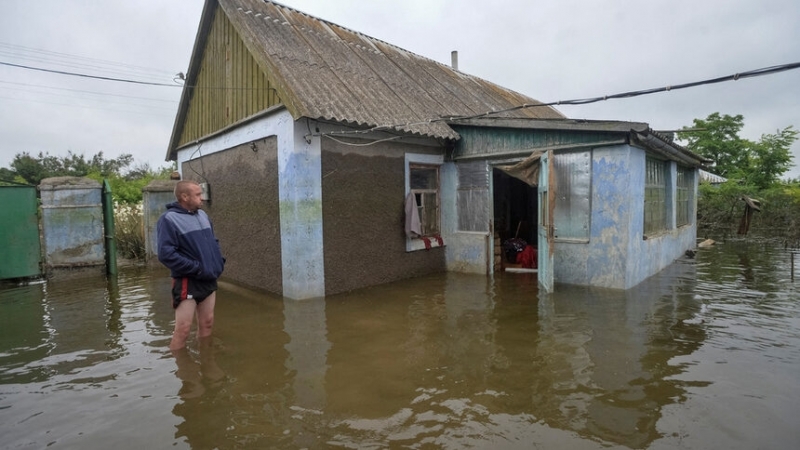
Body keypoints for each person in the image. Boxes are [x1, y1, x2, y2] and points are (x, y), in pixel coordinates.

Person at [157, 180, 225, 350]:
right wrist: (196, 268)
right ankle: (181, 365)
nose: (202, 198)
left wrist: (218, 262)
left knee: (207, 323)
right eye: (198, 195)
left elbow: (214, 241)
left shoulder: (203, 215)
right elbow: (166, 254)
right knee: (183, 329)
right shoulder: (168, 219)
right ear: (184, 197)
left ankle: (206, 358)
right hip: (188, 280)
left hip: (208, 278)